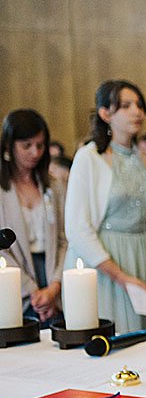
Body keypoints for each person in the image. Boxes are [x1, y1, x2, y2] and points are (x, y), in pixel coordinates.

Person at [64, 80, 146, 334]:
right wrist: (120, 276)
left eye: (139, 105)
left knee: (145, 344)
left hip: (140, 258)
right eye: (126, 105)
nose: (137, 111)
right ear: (105, 113)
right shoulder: (89, 157)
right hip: (103, 265)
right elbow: (77, 227)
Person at [0, 109, 67, 323]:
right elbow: (2, 249)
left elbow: (64, 240)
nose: (35, 153)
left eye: (40, 145)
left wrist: (54, 287)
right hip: (15, 275)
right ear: (9, 146)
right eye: (26, 146)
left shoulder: (54, 186)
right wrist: (32, 290)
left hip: (53, 272)